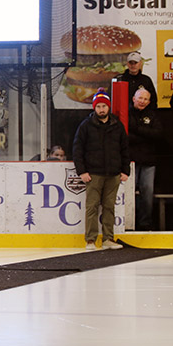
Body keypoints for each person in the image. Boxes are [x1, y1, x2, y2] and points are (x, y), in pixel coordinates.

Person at [72, 89, 129, 250]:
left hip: (113, 174)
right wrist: (82, 171)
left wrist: (125, 170)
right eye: (99, 106)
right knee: (92, 206)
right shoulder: (86, 126)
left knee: (109, 207)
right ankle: (90, 240)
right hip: (93, 174)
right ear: (94, 108)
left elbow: (124, 149)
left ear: (108, 107)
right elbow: (77, 149)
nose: (101, 109)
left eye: (104, 106)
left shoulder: (117, 125)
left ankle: (108, 239)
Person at [128, 87, 163, 230]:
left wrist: (137, 129)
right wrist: (146, 134)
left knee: (147, 194)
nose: (142, 101)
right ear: (133, 99)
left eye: (145, 99)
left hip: (149, 162)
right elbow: (126, 136)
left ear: (149, 102)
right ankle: (129, 224)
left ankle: (145, 224)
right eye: (140, 98)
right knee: (129, 194)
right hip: (130, 162)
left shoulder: (153, 116)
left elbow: (158, 135)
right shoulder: (127, 114)